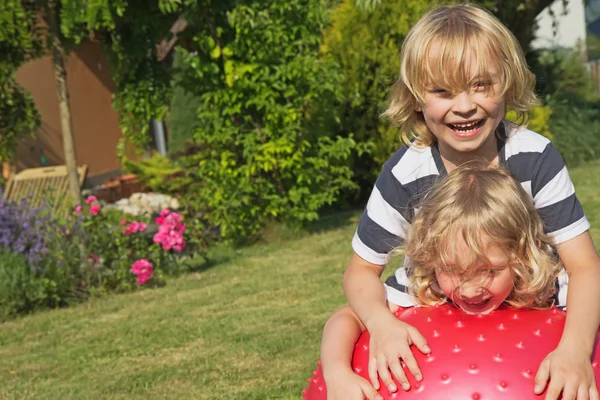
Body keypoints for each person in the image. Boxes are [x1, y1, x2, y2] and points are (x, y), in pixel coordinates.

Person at [323, 3, 600, 400]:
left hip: (526, 293)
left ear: (506, 83)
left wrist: (574, 351)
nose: (465, 105)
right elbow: (359, 275)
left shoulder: (534, 157)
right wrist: (379, 327)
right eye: (442, 91)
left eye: (480, 85)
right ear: (417, 98)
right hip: (435, 297)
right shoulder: (405, 175)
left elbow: (586, 267)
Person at [321, 163, 564, 400]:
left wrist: (575, 351)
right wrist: (337, 373)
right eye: (451, 270)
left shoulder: (548, 287)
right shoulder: (425, 285)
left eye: (489, 271)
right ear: (431, 256)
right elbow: (345, 319)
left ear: (521, 254)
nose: (470, 290)